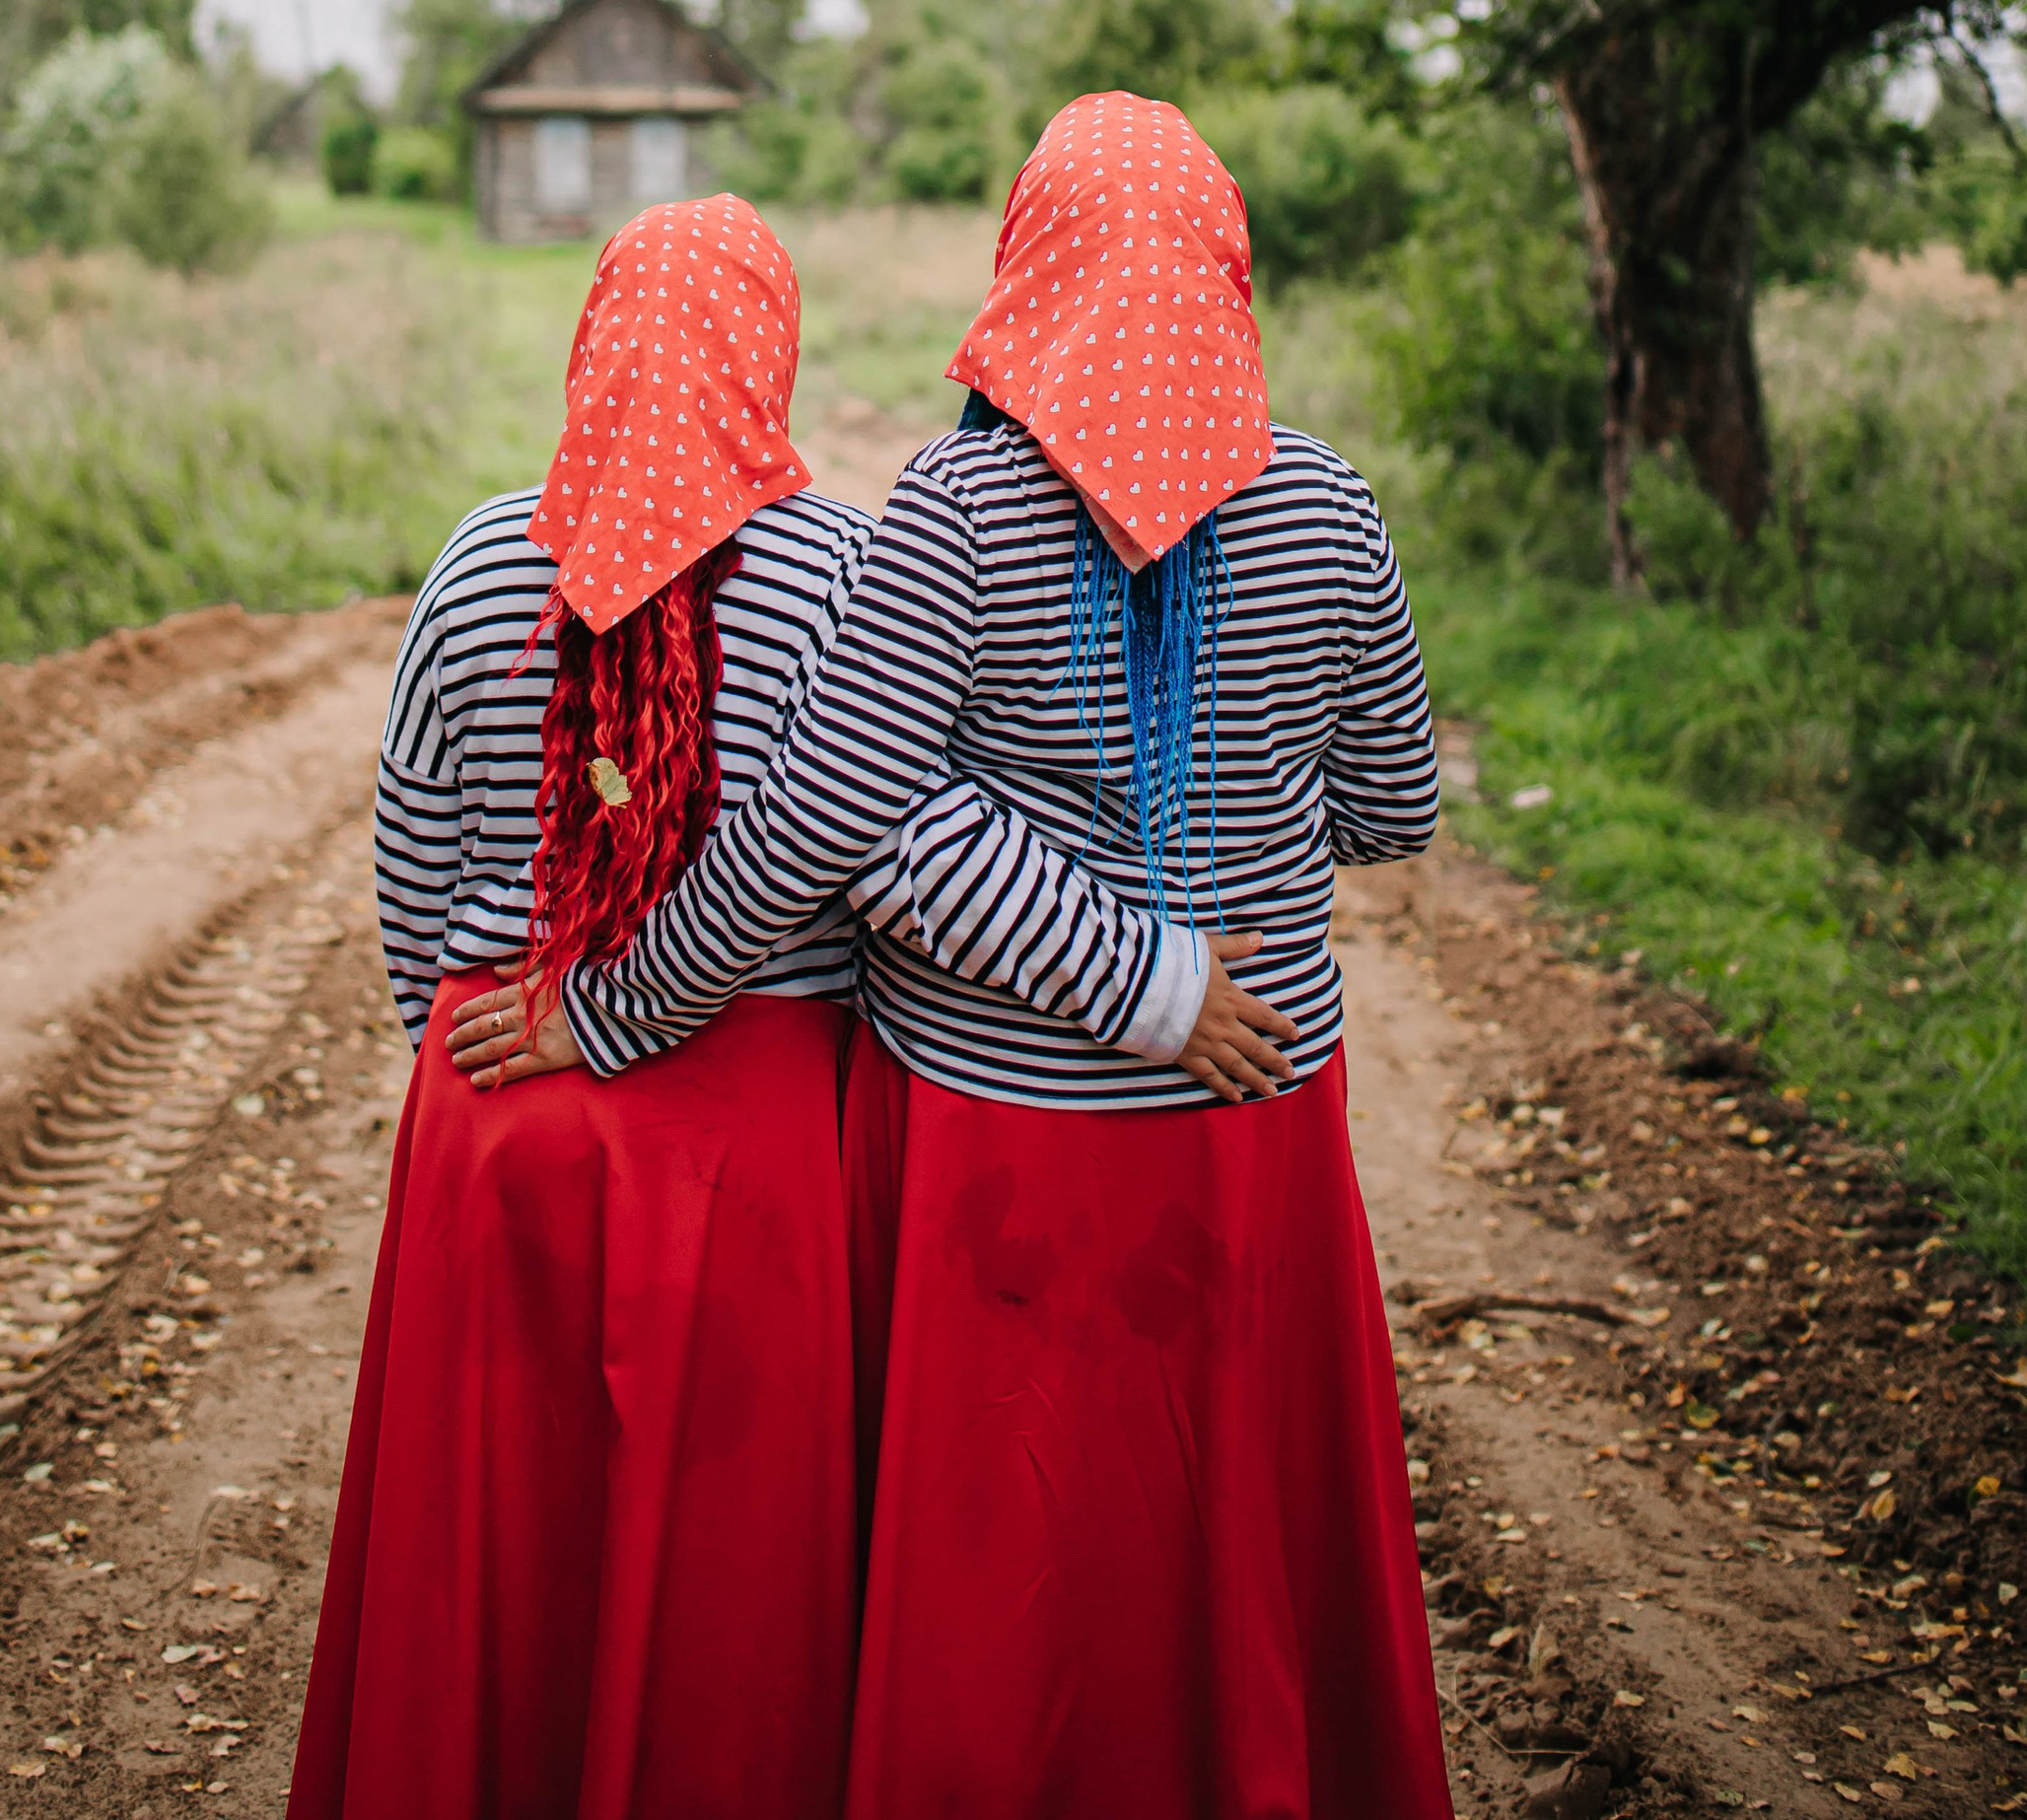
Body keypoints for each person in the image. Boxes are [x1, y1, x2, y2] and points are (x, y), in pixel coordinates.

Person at [459, 98, 1452, 1820]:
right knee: (1225, 1542)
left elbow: (836, 826)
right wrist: (1181, 931)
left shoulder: (956, 508)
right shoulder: (1329, 508)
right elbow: (1391, 810)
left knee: (1012, 1583)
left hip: (998, 1140)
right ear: (1225, 276)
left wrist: (614, 1009)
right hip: (1253, 1124)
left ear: (1032, 265)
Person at [292, 185, 1295, 1820]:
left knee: (490, 1564)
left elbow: (412, 865)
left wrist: (460, 1055)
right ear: (769, 358)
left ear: (593, 344)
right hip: (747, 1153)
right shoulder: (840, 563)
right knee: (725, 1602)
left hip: (494, 1114)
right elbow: (867, 855)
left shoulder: (480, 560)